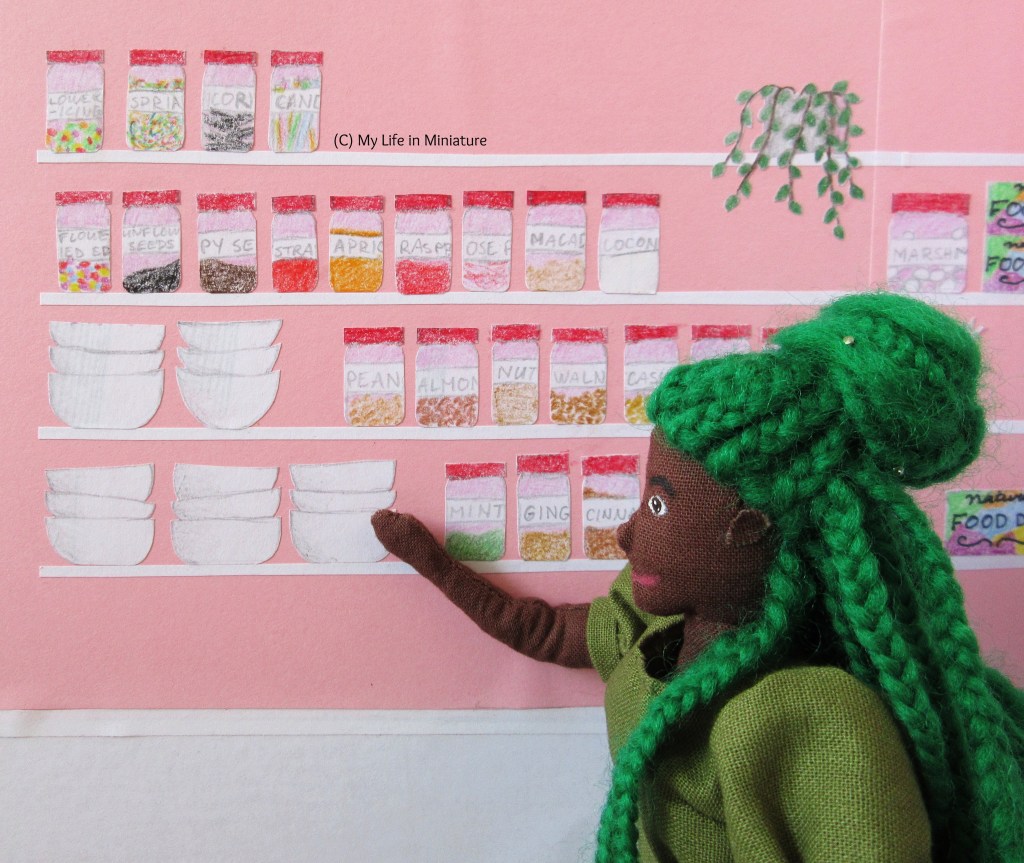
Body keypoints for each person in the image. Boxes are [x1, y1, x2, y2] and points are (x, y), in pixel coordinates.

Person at [372, 293, 1024, 862]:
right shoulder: (653, 628)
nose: (628, 533)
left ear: (748, 527)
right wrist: (435, 564)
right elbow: (543, 630)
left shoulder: (815, 717)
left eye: (659, 503)